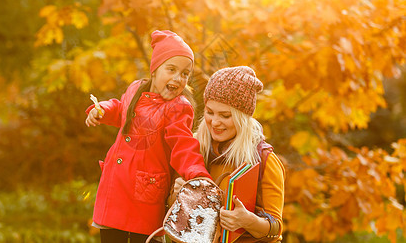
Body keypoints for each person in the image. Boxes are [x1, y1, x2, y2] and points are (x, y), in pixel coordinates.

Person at [85, 30, 212, 243]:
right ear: (154, 70)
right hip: (115, 189)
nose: (177, 78)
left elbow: (183, 145)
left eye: (184, 73)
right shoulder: (136, 89)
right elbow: (121, 109)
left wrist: (196, 173)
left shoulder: (178, 107)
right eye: (171, 69)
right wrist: (103, 110)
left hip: (145, 197)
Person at [170, 66, 285, 242]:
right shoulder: (193, 149)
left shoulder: (264, 159)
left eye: (225, 115)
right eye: (209, 112)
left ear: (242, 117)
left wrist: (248, 221)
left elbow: (275, 230)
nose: (215, 122)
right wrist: (178, 195)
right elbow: (172, 216)